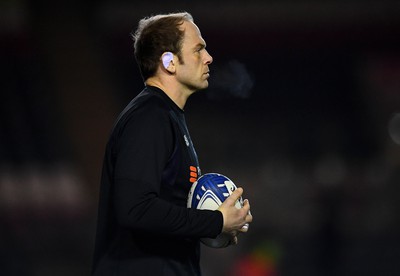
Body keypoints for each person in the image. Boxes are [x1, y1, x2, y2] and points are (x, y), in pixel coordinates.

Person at [92, 12, 253, 276]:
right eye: (198, 49)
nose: (209, 57)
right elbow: (135, 209)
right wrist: (215, 221)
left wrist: (216, 227)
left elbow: (164, 210)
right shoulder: (149, 117)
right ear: (169, 62)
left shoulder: (165, 115)